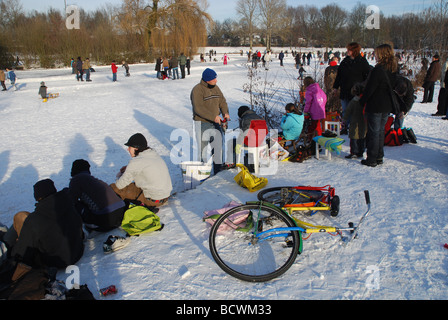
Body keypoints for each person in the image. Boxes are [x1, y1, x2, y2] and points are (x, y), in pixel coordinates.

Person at [7, 179, 84, 280]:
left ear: (38, 198)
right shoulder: (67, 202)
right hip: (77, 251)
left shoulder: (34, 219)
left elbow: (23, 253)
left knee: (20, 216)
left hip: (55, 261)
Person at [359, 44, 398, 167]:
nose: (374, 55)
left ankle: (372, 158)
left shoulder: (378, 70)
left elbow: (370, 89)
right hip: (386, 105)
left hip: (376, 105)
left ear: (381, 54)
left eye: (376, 53)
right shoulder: (393, 68)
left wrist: (362, 101)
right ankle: (379, 157)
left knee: (374, 133)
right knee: (380, 132)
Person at [111, 133, 173, 210]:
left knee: (113, 189)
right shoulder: (153, 155)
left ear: (136, 148)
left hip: (152, 201)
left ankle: (118, 211)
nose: (128, 149)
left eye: (129, 147)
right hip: (164, 197)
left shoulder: (137, 162)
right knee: (132, 186)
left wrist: (120, 174)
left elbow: (120, 185)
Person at [69, 159, 126, 232]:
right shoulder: (95, 181)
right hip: (121, 215)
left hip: (106, 221)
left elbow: (71, 200)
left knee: (76, 206)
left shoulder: (76, 180)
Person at [190, 68, 230, 174]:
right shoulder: (197, 90)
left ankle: (218, 173)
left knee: (217, 149)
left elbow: (222, 101)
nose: (216, 80)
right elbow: (198, 108)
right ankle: (202, 175)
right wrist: (214, 116)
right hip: (202, 123)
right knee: (203, 151)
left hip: (216, 123)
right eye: (214, 79)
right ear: (207, 80)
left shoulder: (216, 88)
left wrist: (225, 112)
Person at [333, 42, 371, 134]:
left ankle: (353, 127)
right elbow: (339, 75)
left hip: (356, 92)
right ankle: (345, 126)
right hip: (344, 90)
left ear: (354, 51)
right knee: (345, 110)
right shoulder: (345, 61)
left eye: (349, 50)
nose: (347, 51)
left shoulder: (362, 62)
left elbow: (368, 77)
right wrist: (335, 87)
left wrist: (363, 88)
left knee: (354, 111)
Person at [343, 83, 366, 159]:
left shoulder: (353, 101)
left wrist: (344, 119)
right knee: (362, 136)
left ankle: (354, 152)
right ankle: (361, 151)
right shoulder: (365, 100)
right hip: (364, 121)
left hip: (354, 121)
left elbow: (348, 110)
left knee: (354, 137)